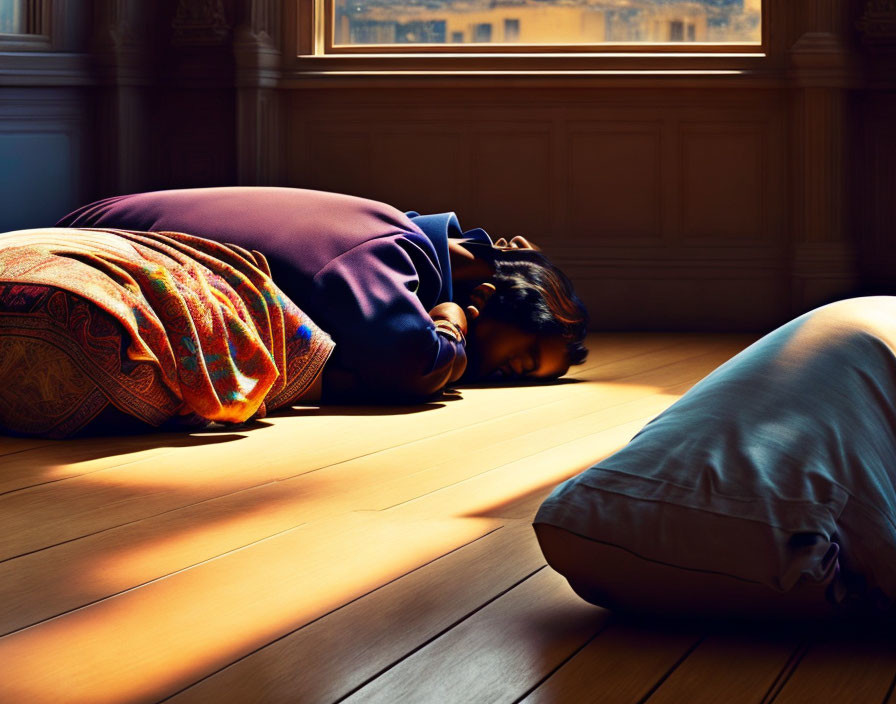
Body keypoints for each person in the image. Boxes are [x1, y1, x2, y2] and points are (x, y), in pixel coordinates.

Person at [58, 187, 588, 402]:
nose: (504, 375)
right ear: (486, 298)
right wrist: (448, 327)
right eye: (520, 362)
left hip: (99, 218)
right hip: (90, 243)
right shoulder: (379, 251)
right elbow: (411, 364)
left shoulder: (391, 232)